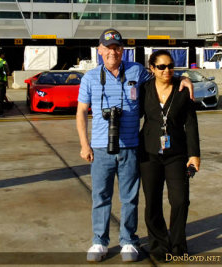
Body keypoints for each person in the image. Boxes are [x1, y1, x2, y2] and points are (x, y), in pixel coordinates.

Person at [76, 28, 194, 262]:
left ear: (123, 50)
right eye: (108, 48)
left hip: (131, 147)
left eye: (117, 48)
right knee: (101, 196)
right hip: (100, 148)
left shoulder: (137, 71)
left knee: (129, 197)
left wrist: (184, 77)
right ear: (100, 50)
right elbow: (81, 112)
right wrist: (84, 144)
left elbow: (163, 75)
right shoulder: (89, 77)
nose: (113, 52)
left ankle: (128, 240)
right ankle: (99, 241)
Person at [139, 50, 200, 261]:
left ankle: (178, 245)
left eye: (171, 66)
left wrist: (194, 154)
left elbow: (191, 123)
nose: (167, 70)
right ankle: (158, 246)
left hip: (177, 154)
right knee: (152, 203)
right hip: (149, 154)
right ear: (152, 69)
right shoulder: (144, 89)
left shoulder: (183, 89)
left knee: (180, 200)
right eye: (162, 66)